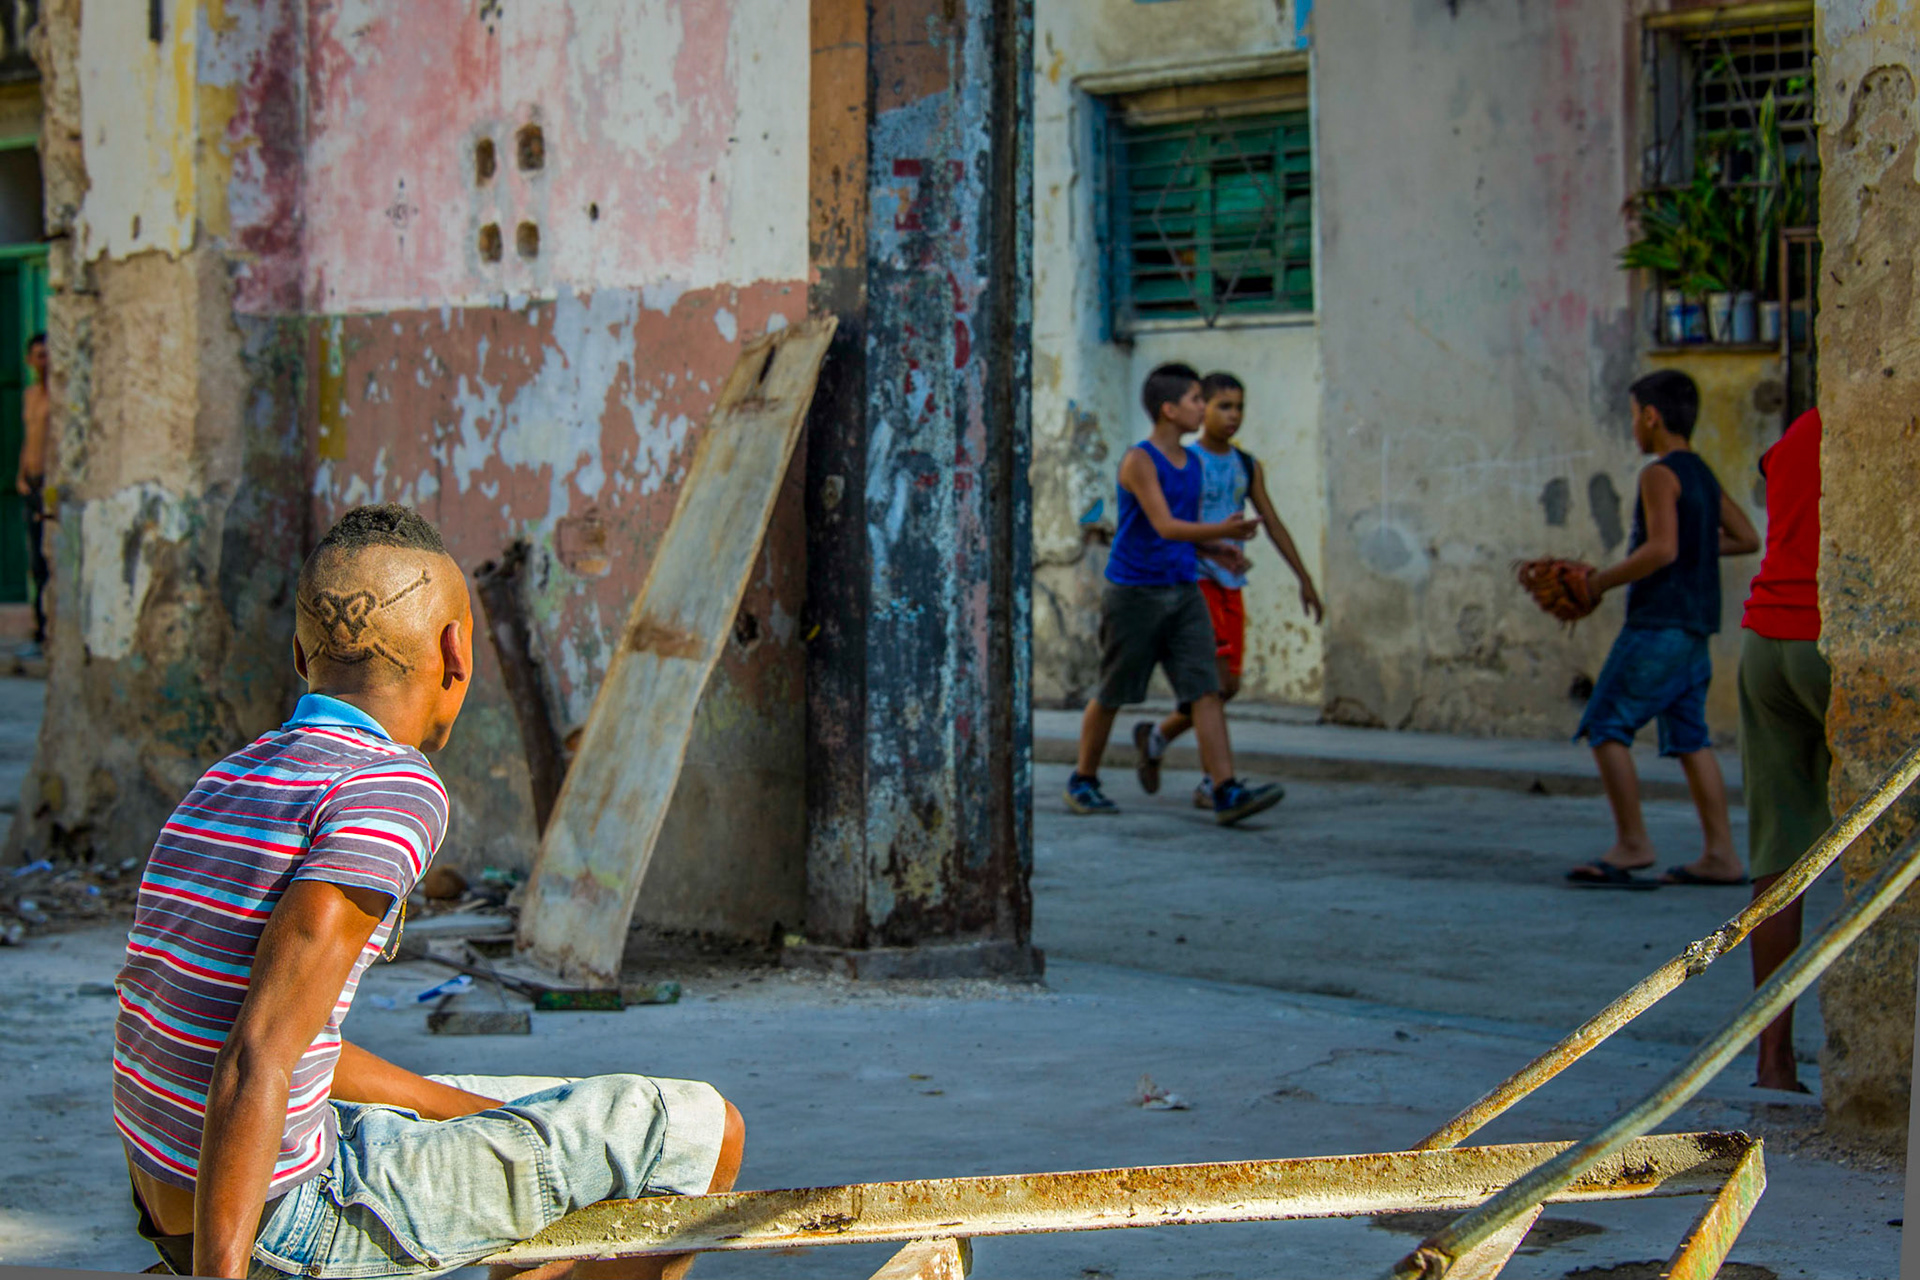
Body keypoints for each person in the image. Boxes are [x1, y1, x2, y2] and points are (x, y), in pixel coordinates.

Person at [113, 504, 743, 1280]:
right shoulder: (389, 787)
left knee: (540, 1107)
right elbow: (258, 1053)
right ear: (456, 650)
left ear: (299, 656)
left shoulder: (229, 780)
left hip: (176, 1195)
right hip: (281, 1220)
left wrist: (478, 1114)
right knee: (700, 1127)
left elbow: (277, 1035)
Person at [1064, 363, 1285, 826]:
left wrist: (1216, 548)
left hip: (1184, 590)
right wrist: (1223, 528)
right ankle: (1083, 779)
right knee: (1113, 691)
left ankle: (1225, 790)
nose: (1203, 409)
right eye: (1195, 401)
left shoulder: (1194, 464)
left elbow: (1178, 533)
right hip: (1135, 594)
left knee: (1206, 689)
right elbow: (1163, 525)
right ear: (1169, 410)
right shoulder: (1139, 461)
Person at [1565, 370, 1760, 889]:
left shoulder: (1659, 473)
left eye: (1633, 416)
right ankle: (1721, 854)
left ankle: (1632, 843)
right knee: (1690, 736)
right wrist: (1697, 547)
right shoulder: (1700, 473)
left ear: (1651, 416)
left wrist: (1600, 582)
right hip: (1696, 628)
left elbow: (1662, 549)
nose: (1633, 427)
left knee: (1605, 726)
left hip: (1658, 623)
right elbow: (1746, 537)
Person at [1130, 371, 1324, 808]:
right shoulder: (1187, 462)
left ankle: (1157, 737)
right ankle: (1214, 783)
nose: (1232, 415)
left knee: (1228, 686)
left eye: (1239, 407)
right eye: (1221, 405)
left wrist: (1304, 578)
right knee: (1210, 687)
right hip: (1194, 580)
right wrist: (1211, 547)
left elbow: (1271, 522)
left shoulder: (1245, 465)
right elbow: (1167, 524)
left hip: (1231, 583)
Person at [1737, 406, 1827, 1092]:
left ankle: (1775, 1059)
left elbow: (1772, 476)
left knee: (1778, 852)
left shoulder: (1802, 428)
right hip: (1829, 635)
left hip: (1765, 638)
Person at [14, 331, 48, 660]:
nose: (43, 361)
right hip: (31, 484)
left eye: (47, 354)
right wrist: (20, 474)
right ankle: (39, 631)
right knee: (35, 561)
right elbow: (30, 438)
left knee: (50, 559)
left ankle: (53, 629)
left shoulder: (59, 396)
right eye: (38, 355)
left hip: (50, 486)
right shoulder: (30, 396)